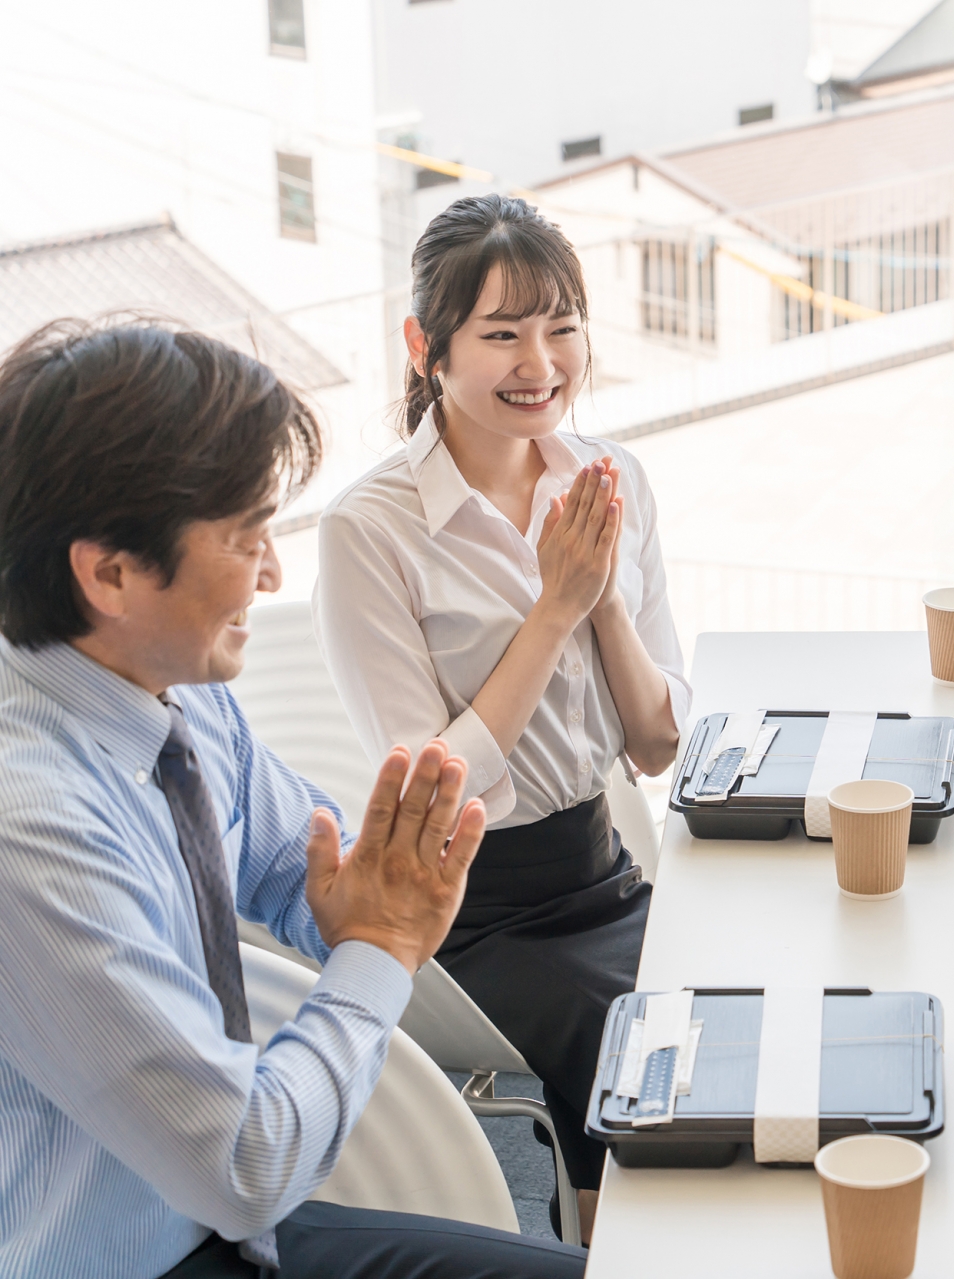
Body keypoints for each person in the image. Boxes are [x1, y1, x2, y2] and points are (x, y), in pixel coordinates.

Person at [0, 319, 586, 1278]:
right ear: (107, 571)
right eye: (244, 539)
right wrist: (384, 946)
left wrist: (373, 907)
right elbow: (248, 1162)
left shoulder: (170, 688)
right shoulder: (30, 829)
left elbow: (305, 869)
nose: (272, 572)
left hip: (224, 1223)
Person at [315, 194, 688, 1238]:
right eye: (503, 333)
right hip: (471, 913)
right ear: (425, 347)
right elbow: (436, 789)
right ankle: (631, 1247)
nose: (542, 362)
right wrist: (555, 604)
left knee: (742, 992)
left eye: (562, 325)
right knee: (652, 1058)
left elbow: (658, 744)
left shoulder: (611, 479)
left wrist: (601, 591)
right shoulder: (369, 532)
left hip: (603, 870)